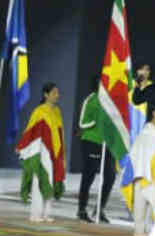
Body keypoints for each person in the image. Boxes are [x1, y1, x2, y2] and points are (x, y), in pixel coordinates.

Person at [18, 82, 66, 223]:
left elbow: (60, 134)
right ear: (46, 94)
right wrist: (25, 148)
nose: (57, 95)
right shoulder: (39, 111)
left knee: (51, 179)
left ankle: (46, 212)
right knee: (39, 180)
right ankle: (35, 214)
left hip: (54, 152)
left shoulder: (57, 112)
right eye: (54, 93)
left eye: (57, 92)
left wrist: (62, 155)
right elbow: (30, 132)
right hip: (41, 151)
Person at [76, 75, 116, 223]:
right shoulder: (91, 99)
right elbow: (82, 123)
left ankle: (100, 209)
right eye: (102, 82)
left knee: (110, 176)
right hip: (91, 141)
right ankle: (81, 209)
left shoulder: (110, 102)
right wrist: (97, 121)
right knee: (89, 176)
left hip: (107, 144)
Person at [129, 99, 155, 236]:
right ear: (154, 113)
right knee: (139, 215)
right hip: (144, 178)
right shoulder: (146, 133)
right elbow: (135, 153)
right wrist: (142, 170)